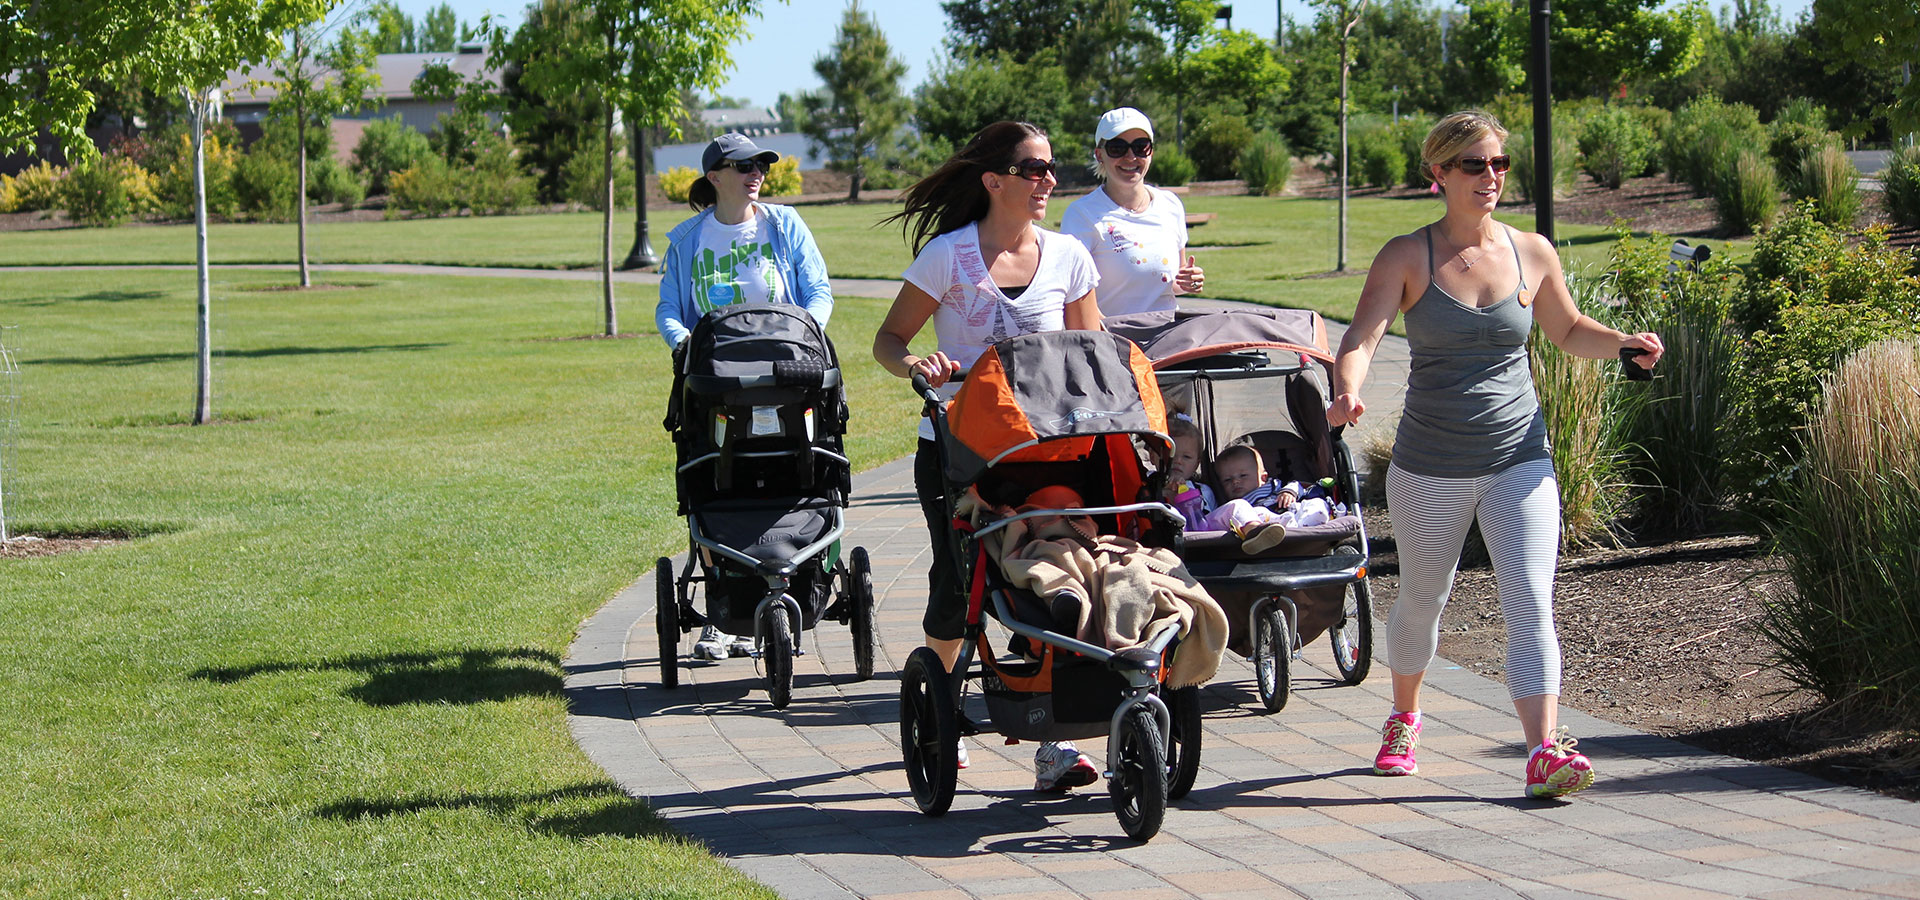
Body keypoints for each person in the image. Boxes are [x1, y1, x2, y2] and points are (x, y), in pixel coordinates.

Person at [1327, 110, 1665, 799]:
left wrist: (1624, 340)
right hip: (1430, 463)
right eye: (1474, 166)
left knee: (1530, 600)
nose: (1490, 178)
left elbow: (1569, 330)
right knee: (1424, 597)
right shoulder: (1406, 255)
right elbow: (1361, 338)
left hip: (1520, 455)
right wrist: (1348, 392)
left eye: (1498, 165)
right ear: (1440, 175)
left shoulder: (1531, 251)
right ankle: (1404, 717)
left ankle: (1544, 749)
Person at [873, 120, 1103, 792]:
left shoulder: (1069, 258)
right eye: (1034, 169)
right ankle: (941, 704)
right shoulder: (947, 257)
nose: (1048, 182)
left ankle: (1049, 741)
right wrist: (916, 362)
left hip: (1048, 454)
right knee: (960, 586)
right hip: (958, 449)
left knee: (1049, 577)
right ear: (994, 180)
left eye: (1052, 169)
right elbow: (889, 339)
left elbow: (1094, 359)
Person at [656, 133, 836, 661]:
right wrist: (685, 346)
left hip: (790, 375)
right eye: (742, 165)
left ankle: (802, 578)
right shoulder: (688, 240)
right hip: (716, 385)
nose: (755, 172)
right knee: (714, 479)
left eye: (760, 164)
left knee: (803, 470)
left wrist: (806, 336)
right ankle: (721, 610)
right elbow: (669, 309)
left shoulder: (785, 225)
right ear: (714, 176)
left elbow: (818, 292)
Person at [1060, 107, 1205, 316]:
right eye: (1117, 148)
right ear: (1099, 155)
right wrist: (1110, 340)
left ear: (1151, 152)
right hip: (1114, 341)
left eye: (1140, 147)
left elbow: (1171, 284)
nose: (1130, 157)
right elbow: (1072, 298)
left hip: (1168, 337)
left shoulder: (1170, 205)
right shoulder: (1081, 215)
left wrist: (1188, 282)